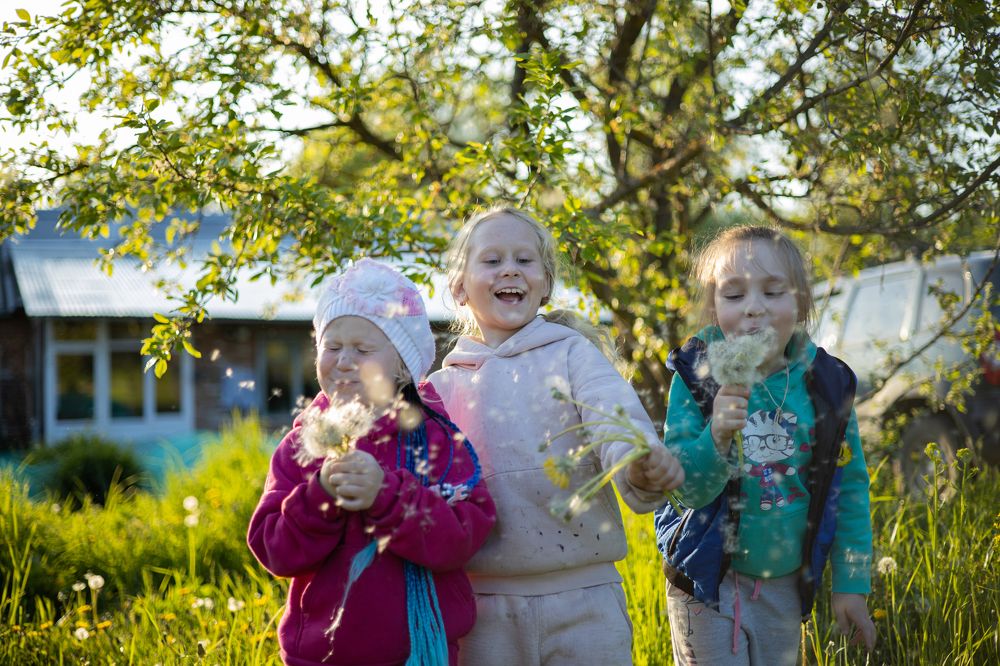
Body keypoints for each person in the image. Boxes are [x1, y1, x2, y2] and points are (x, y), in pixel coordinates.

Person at [428, 206, 685, 665]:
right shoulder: (441, 391)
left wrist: (639, 462)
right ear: (459, 287)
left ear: (545, 284)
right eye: (492, 260)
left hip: (584, 597)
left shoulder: (573, 356)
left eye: (525, 260)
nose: (510, 268)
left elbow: (613, 413)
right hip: (483, 608)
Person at [248, 259, 497, 666]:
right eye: (332, 346)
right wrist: (320, 495)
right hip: (321, 655)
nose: (343, 360)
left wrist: (387, 496)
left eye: (362, 349)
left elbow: (463, 537)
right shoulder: (304, 447)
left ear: (401, 368)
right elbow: (274, 550)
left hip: (420, 652)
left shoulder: (436, 441)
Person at [654, 226, 876, 665]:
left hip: (784, 583)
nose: (753, 308)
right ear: (714, 306)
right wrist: (716, 435)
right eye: (733, 296)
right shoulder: (697, 378)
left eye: (773, 292)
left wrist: (851, 583)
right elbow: (685, 491)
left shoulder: (826, 387)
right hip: (704, 583)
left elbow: (848, 489)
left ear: (801, 302)